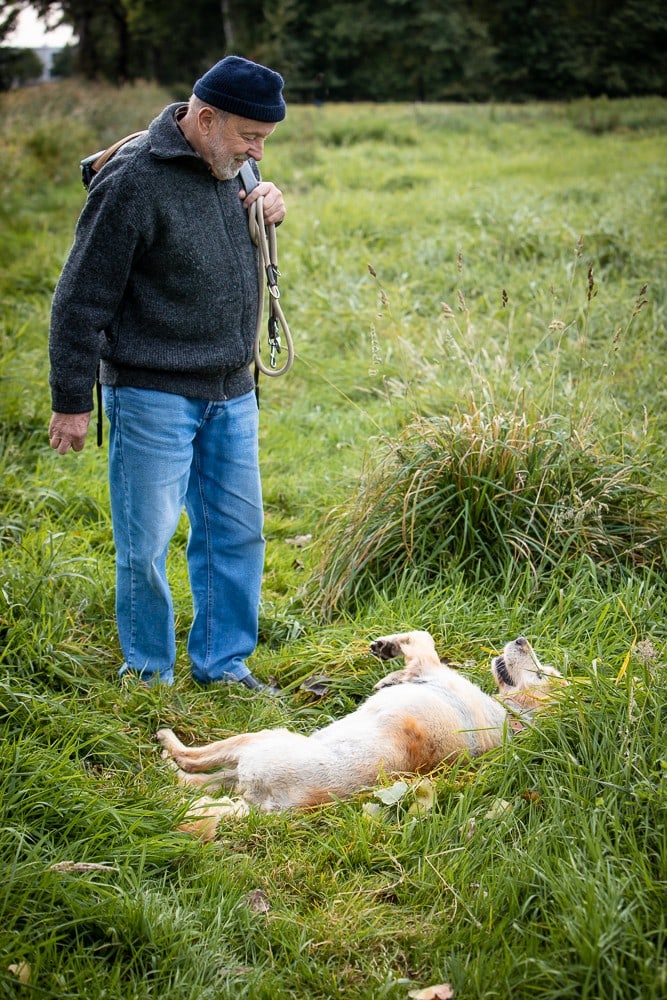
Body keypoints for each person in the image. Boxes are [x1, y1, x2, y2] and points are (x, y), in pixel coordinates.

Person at [48, 56, 287, 690]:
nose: (258, 152)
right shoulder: (132, 181)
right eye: (250, 137)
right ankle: (149, 671)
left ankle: (224, 664)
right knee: (146, 544)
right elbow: (79, 298)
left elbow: (237, 258)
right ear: (206, 118)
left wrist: (269, 212)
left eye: (265, 140)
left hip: (232, 389)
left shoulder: (232, 163)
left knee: (237, 536)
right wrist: (71, 400)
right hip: (152, 391)